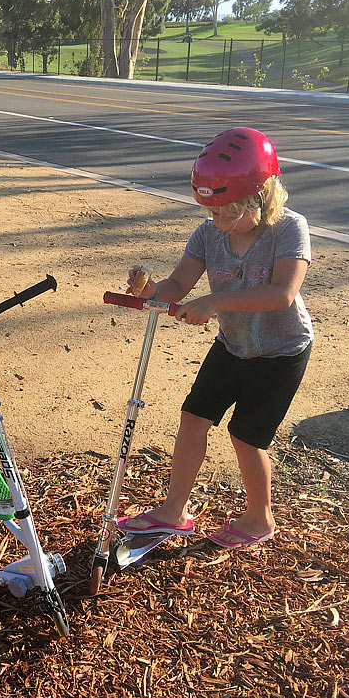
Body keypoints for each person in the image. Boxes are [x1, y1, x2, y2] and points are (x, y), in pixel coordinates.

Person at [118, 127, 313, 550]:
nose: (219, 222)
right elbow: (177, 285)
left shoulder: (289, 229)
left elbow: (282, 295)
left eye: (228, 212)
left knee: (246, 436)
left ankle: (260, 518)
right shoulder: (209, 234)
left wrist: (216, 302)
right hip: (233, 346)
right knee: (193, 418)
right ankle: (175, 510)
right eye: (212, 212)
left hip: (282, 352)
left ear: (262, 196)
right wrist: (150, 291)